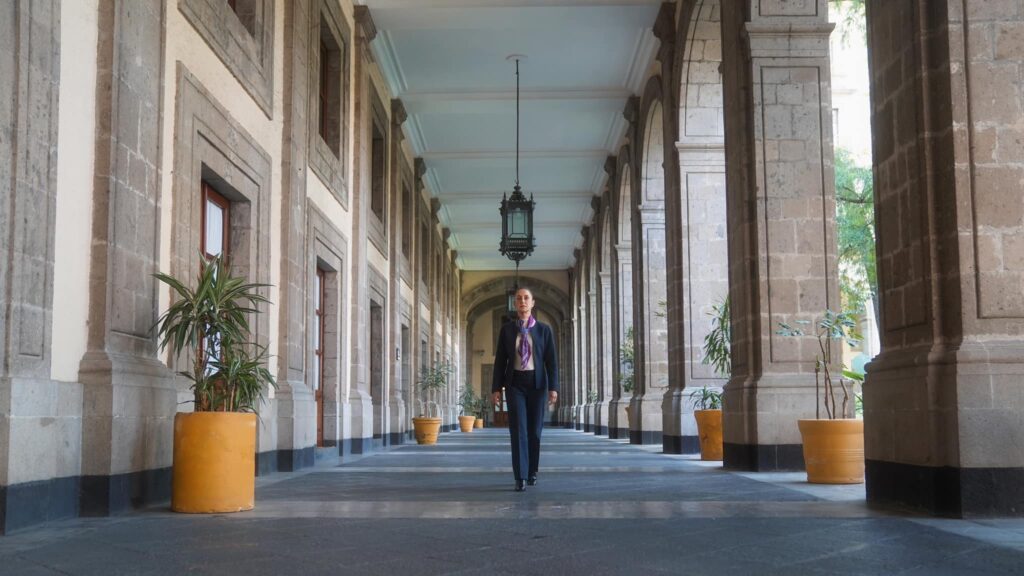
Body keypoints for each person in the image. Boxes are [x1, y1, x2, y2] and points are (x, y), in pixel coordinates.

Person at [491, 286, 558, 492]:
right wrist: (496, 388)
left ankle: (532, 471)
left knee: (534, 432)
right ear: (515, 303)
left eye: (526, 298)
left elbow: (551, 362)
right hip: (515, 384)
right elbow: (500, 361)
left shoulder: (544, 330)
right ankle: (520, 476)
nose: (522, 301)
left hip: (537, 384)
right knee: (518, 430)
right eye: (518, 298)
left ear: (532, 303)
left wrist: (553, 387)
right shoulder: (507, 330)